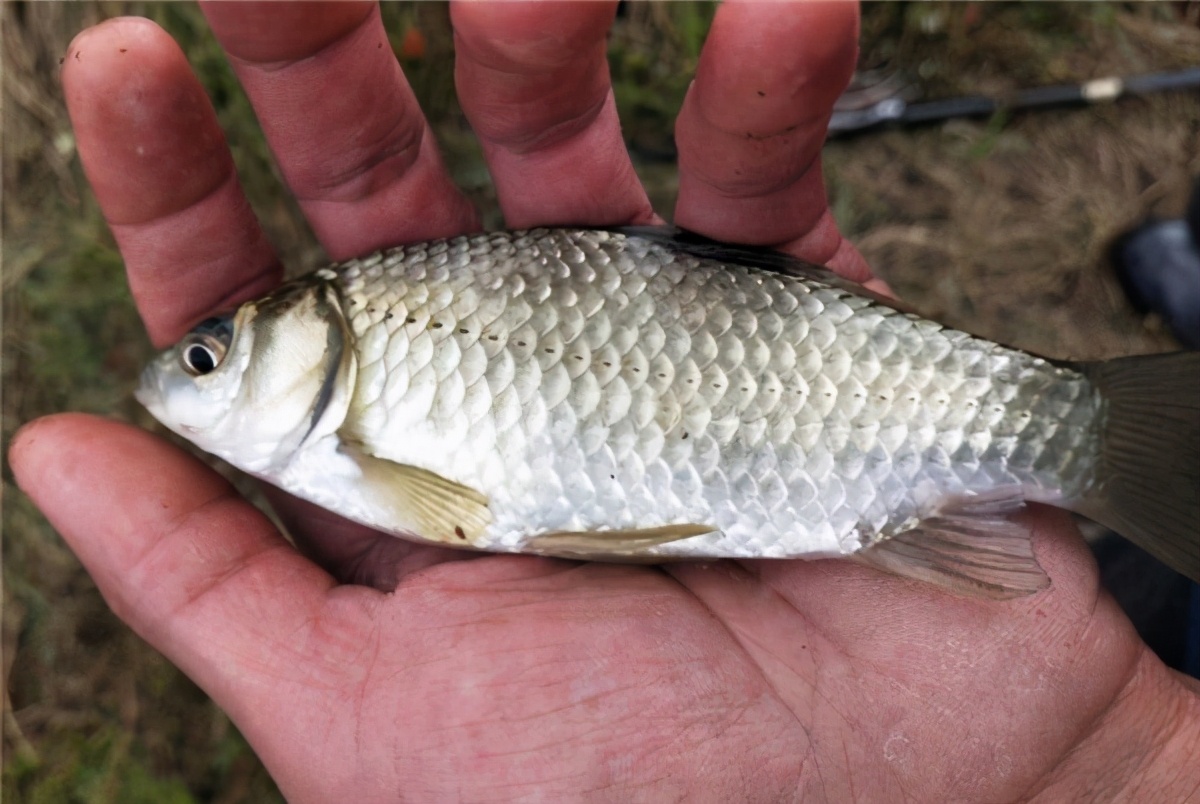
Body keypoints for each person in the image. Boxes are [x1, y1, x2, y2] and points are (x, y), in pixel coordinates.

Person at [11, 3, 1198, 801]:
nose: (183, 377)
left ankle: (1108, 434)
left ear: (303, 346)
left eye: (211, 359)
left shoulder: (370, 417)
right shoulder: (366, 382)